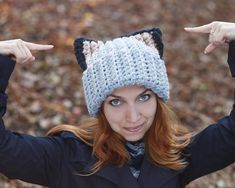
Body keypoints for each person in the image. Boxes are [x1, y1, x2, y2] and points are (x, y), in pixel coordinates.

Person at [0, 21, 234, 188]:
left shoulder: (177, 155)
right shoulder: (66, 158)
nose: (133, 117)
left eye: (143, 97)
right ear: (100, 107)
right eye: (116, 102)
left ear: (158, 100)